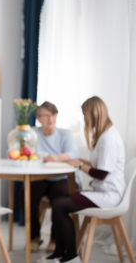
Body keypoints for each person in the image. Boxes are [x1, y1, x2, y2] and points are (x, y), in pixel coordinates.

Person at [41, 96, 126, 263]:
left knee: (59, 206)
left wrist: (80, 166)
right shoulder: (104, 135)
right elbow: (100, 165)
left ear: (93, 115)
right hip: (103, 191)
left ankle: (71, 256)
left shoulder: (108, 138)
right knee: (58, 201)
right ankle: (58, 253)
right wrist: (82, 161)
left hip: (109, 195)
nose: (85, 120)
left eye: (86, 116)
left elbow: (101, 174)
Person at [19, 101, 80, 253]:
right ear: (38, 118)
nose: (51, 119)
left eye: (53, 115)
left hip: (61, 178)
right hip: (40, 177)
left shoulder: (65, 134)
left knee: (60, 198)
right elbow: (20, 150)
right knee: (25, 195)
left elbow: (73, 154)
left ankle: (54, 239)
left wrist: (56, 158)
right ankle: (34, 237)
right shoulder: (32, 133)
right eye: (46, 115)